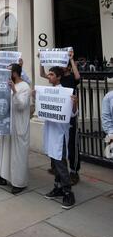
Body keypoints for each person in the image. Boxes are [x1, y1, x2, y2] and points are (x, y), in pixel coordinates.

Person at [0, 64, 31, 194]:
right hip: (6, 124)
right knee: (4, 150)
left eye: (8, 71)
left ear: (15, 74)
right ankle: (2, 176)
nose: (6, 74)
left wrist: (14, 90)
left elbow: (21, 105)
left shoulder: (24, 87)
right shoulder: (6, 84)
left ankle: (19, 182)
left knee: (18, 154)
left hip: (18, 126)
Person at [39, 49, 81, 185]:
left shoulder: (70, 79)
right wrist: (42, 59)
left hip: (70, 116)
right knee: (56, 144)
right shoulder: (58, 80)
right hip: (57, 117)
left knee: (70, 144)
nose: (61, 65)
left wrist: (71, 59)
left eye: (64, 63)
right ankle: (56, 168)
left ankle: (73, 172)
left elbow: (78, 77)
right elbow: (42, 74)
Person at [42, 66, 78, 210]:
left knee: (60, 162)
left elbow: (73, 114)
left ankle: (68, 192)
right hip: (50, 132)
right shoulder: (46, 91)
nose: (49, 76)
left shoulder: (66, 92)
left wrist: (74, 104)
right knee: (54, 162)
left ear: (58, 77)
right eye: (49, 74)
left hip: (60, 134)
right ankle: (57, 187)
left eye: (51, 74)